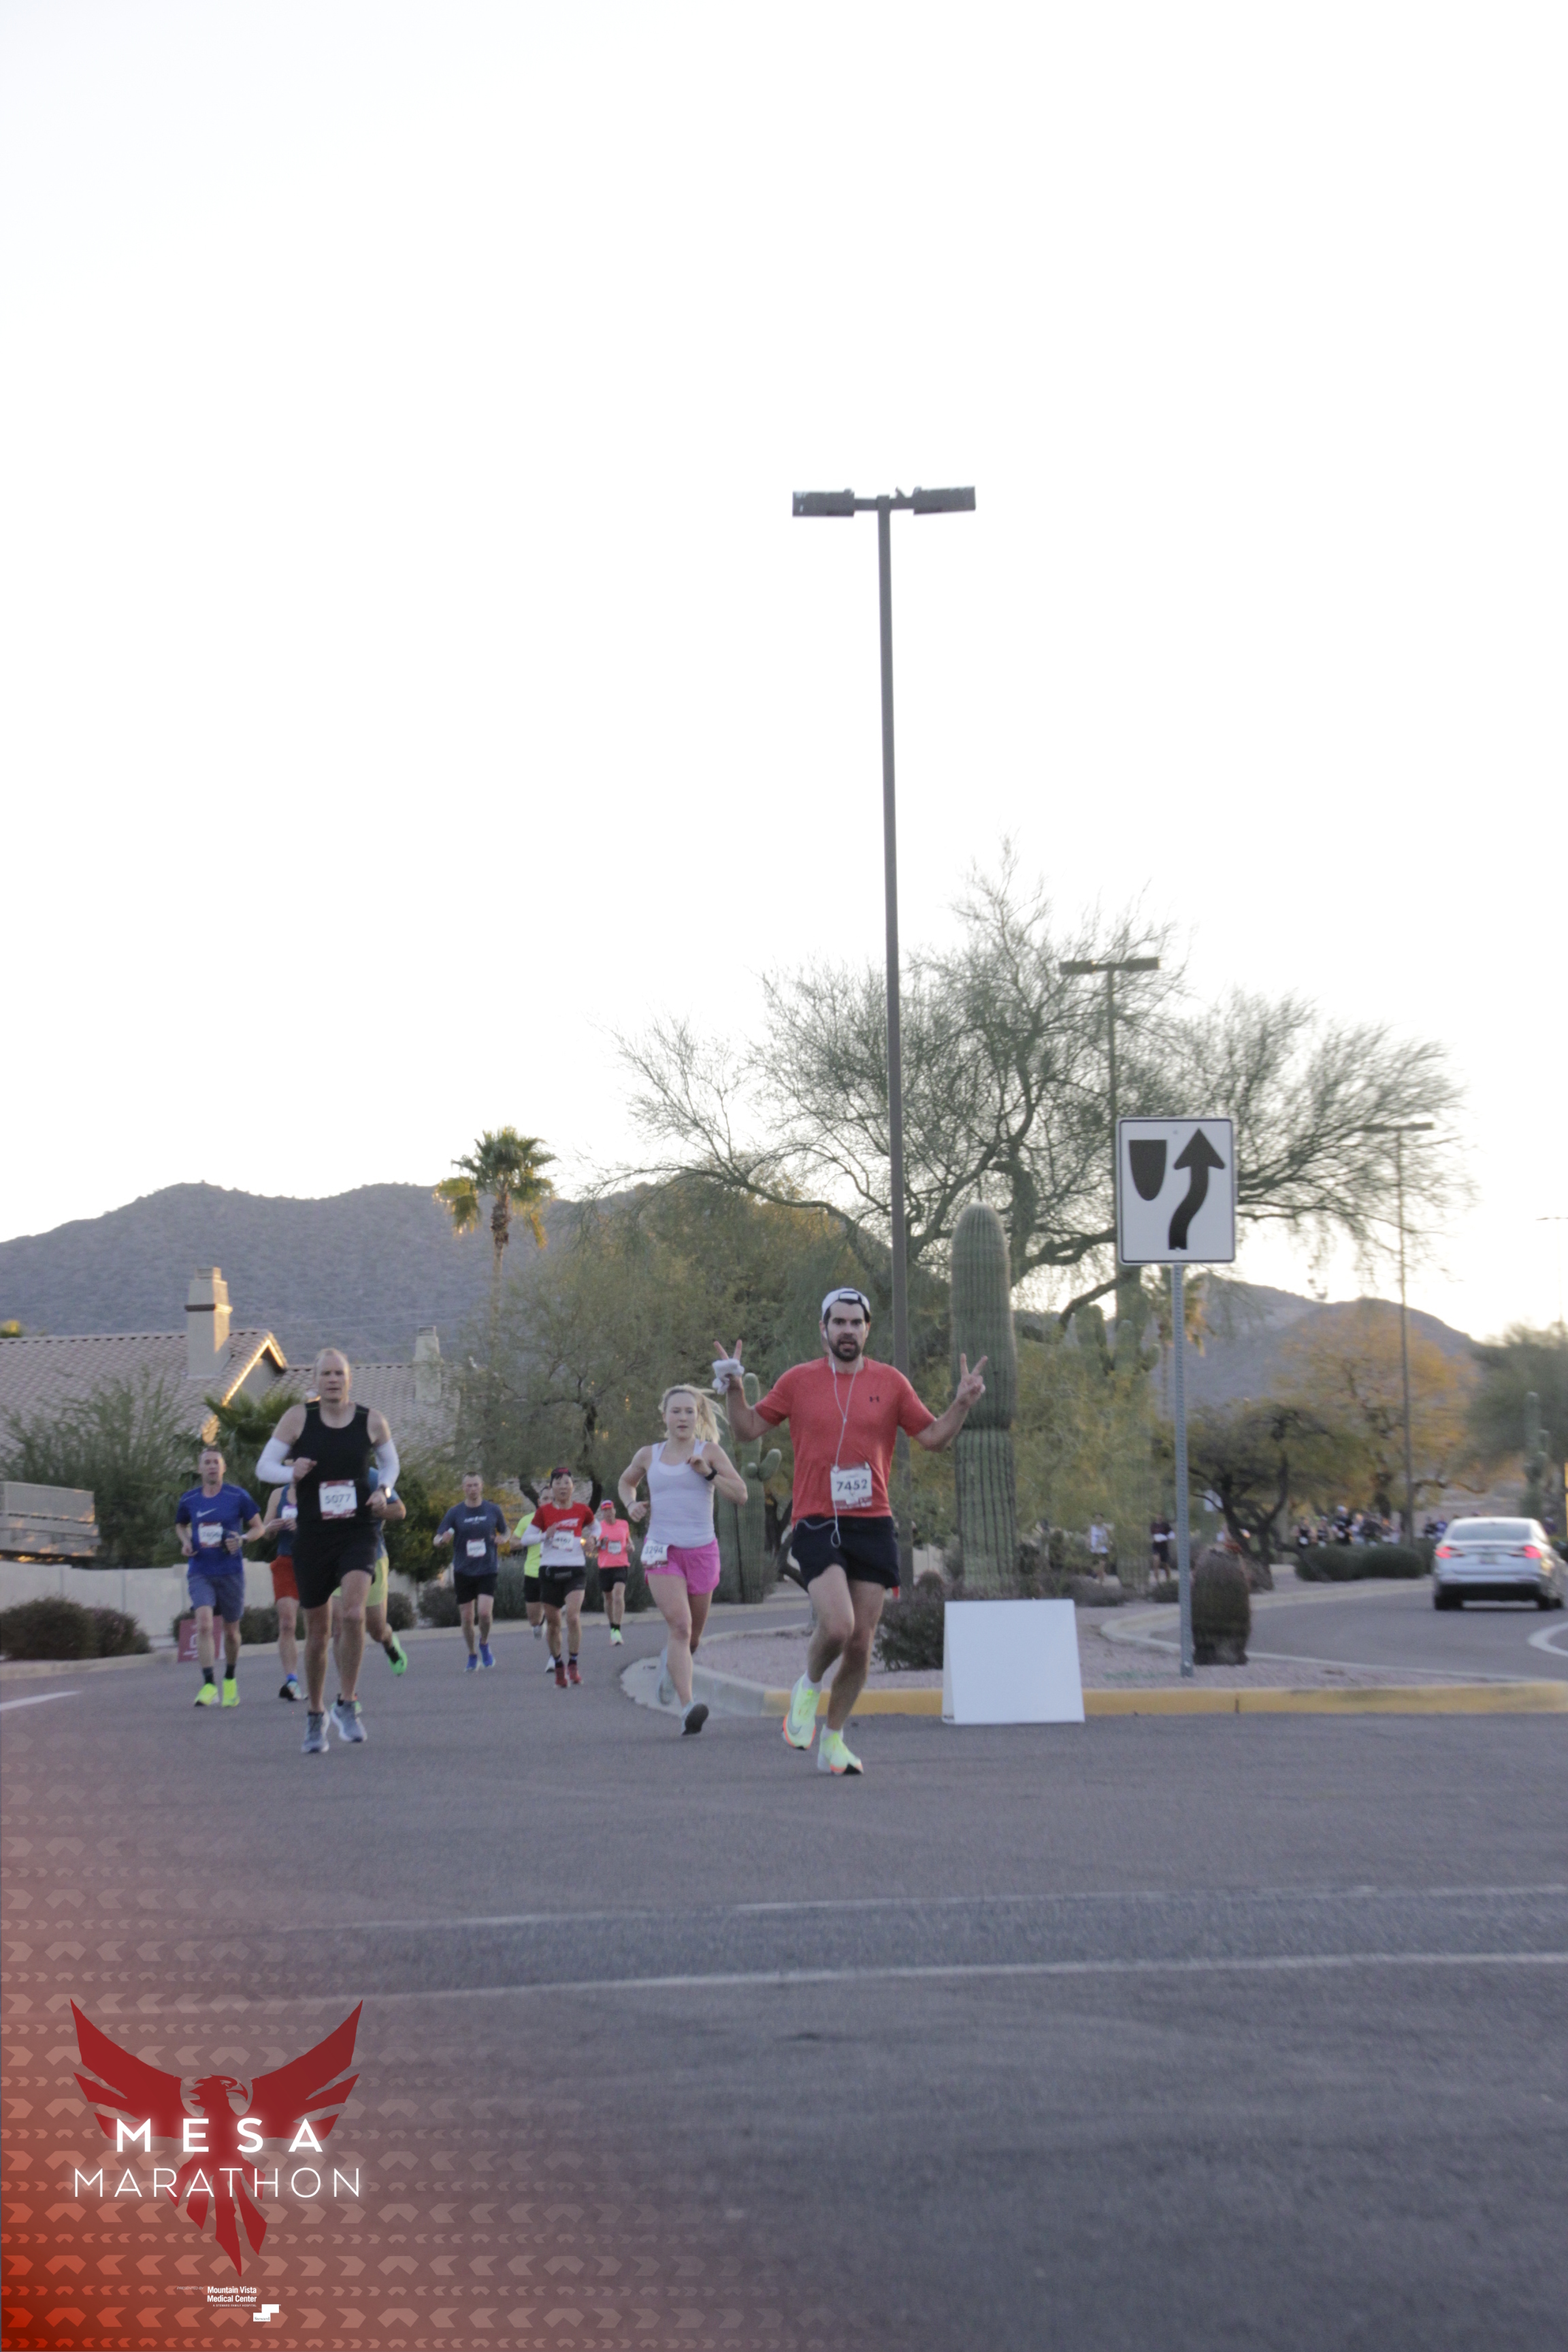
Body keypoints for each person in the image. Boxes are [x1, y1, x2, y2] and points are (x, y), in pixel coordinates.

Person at [715, 1288, 987, 1776]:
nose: (847, 1330)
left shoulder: (891, 1382)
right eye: (838, 1322)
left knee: (861, 1643)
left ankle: (834, 1740)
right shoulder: (799, 1381)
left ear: (867, 1330)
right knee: (838, 1626)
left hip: (873, 1521)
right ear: (823, 1329)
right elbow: (746, 1430)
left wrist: (961, 1405)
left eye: (855, 1322)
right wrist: (735, 1388)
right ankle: (808, 1687)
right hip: (817, 1519)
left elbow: (933, 1438)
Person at [256, 1350, 401, 1755]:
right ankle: (316, 1713)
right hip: (313, 1535)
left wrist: (384, 1490)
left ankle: (347, 1703)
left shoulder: (370, 1420)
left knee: (353, 1615)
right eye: (326, 1373)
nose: (333, 1379)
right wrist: (291, 1472)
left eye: (339, 1373)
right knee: (318, 1635)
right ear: (316, 1380)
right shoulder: (298, 1418)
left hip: (357, 1531)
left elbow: (391, 1465)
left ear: (349, 1379)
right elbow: (264, 1466)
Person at [618, 1386, 749, 1735]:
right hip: (662, 1551)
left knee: (692, 1639)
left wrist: (709, 1474)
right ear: (664, 1416)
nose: (683, 1417)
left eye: (689, 1411)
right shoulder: (649, 1455)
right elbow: (626, 1482)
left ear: (698, 1416)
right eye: (676, 1411)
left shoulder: (710, 1452)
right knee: (680, 1626)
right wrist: (631, 1504)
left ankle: (669, 1666)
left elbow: (741, 1494)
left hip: (702, 1551)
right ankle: (688, 1706)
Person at [176, 1446, 265, 1708]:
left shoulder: (238, 1496)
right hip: (200, 1570)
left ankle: (230, 1678)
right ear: (200, 1469)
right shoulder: (190, 1499)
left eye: (216, 1462)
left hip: (230, 1571)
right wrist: (185, 1542)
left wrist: (243, 1538)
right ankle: (208, 1685)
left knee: (232, 1632)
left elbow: (259, 1527)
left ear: (223, 1468)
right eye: (207, 1462)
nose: (212, 1466)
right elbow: (180, 1524)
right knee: (204, 1625)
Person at [514, 1467, 598, 1686]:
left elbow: (596, 1528)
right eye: (558, 1483)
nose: (563, 1487)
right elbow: (526, 1539)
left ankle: (574, 1663)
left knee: (573, 1617)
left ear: (573, 1487)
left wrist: (593, 1540)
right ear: (552, 1488)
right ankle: (559, 1664)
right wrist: (545, 1535)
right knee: (553, 1623)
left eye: (567, 1483)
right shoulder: (543, 1513)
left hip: (575, 1569)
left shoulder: (582, 1510)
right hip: (550, 1570)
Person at [331, 1471, 408, 1688]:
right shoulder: (324, 1475)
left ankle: (389, 1642)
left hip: (371, 1556)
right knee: (340, 1625)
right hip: (335, 1558)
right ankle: (347, 1693)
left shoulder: (372, 1476)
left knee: (376, 1630)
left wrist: (377, 1509)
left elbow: (400, 1510)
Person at [434, 1473, 510, 1670]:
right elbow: (437, 1538)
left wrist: (503, 1539)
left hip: (487, 1568)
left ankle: (484, 1643)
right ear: (463, 1488)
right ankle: (472, 1654)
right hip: (463, 1570)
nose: (472, 1489)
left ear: (482, 1486)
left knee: (484, 1613)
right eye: (469, 1486)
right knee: (467, 1618)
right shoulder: (455, 1512)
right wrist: (441, 1541)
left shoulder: (493, 1509)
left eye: (476, 1485)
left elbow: (506, 1530)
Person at [259, 1480, 302, 1700]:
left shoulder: (319, 1489)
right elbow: (265, 1531)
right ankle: (292, 1681)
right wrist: (271, 1528)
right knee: (287, 1623)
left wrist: (302, 1526)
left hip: (315, 1562)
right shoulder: (279, 1495)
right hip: (286, 1562)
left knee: (321, 1627)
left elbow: (330, 1526)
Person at [593, 1493, 634, 1646]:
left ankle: (617, 1629)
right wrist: (599, 1544)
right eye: (605, 1510)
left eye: (610, 1509)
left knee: (618, 1596)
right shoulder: (598, 1527)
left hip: (621, 1565)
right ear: (602, 1513)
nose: (608, 1513)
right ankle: (613, 1628)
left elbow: (629, 1543)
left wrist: (631, 1547)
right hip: (605, 1567)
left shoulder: (624, 1525)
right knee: (608, 1598)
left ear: (614, 1511)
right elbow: (594, 1548)